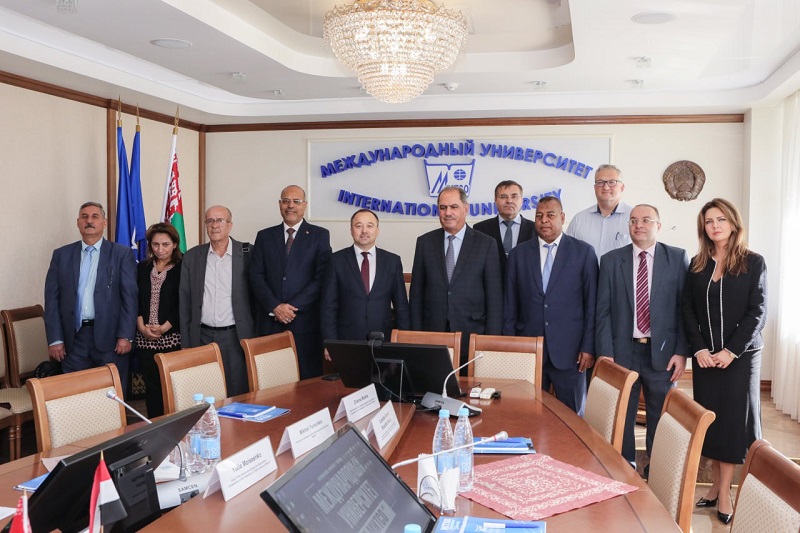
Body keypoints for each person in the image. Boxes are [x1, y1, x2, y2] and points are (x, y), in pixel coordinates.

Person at [682, 198, 767, 525]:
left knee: (732, 424)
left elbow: (757, 312)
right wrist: (699, 349)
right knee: (713, 422)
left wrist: (731, 351)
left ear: (733, 223)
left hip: (740, 357)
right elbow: (688, 310)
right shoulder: (697, 264)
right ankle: (716, 486)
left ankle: (726, 493)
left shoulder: (753, 262)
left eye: (720, 219)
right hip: (706, 358)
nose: (715, 226)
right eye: (708, 221)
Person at [595, 204, 689, 467]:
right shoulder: (611, 261)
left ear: (658, 225)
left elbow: (685, 310)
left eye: (646, 220)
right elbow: (602, 312)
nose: (639, 225)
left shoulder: (677, 258)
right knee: (621, 415)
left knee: (661, 417)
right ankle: (624, 467)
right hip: (622, 352)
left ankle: (656, 471)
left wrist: (681, 352)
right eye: (634, 220)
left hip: (664, 354)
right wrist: (605, 352)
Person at [504, 196, 598, 416]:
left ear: (562, 218)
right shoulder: (518, 254)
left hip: (571, 353)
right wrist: (510, 346)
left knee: (571, 417)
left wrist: (588, 347)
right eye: (539, 216)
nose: (544, 220)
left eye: (550, 215)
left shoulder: (583, 252)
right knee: (527, 414)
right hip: (529, 351)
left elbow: (592, 304)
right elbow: (510, 305)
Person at [44, 202, 137, 393]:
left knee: (112, 395)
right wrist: (55, 339)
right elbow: (51, 299)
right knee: (74, 393)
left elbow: (130, 298)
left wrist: (126, 335)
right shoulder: (61, 255)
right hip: (74, 339)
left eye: (95, 216)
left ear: (104, 222)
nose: (89, 221)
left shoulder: (121, 254)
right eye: (84, 216)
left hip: (111, 339)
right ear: (78, 222)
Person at [409, 186, 502, 366]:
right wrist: (416, 336)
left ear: (465, 209)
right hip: (432, 336)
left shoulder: (486, 244)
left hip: (472, 336)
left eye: (454, 207)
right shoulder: (424, 242)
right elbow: (416, 295)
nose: (448, 213)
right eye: (443, 208)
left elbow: (494, 299)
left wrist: (490, 342)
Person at [250, 185, 331, 379]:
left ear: (305, 205)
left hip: (305, 324)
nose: (290, 206)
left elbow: (321, 277)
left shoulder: (320, 235)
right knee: (271, 381)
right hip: (270, 324)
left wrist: (292, 307)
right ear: (280, 205)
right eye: (286, 201)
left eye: (296, 201)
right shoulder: (264, 236)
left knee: (307, 382)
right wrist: (275, 306)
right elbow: (255, 275)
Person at [180, 205, 254, 397]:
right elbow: (185, 301)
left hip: (236, 336)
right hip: (202, 336)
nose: (214, 225)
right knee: (205, 391)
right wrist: (186, 342)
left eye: (220, 220)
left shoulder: (248, 253)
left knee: (237, 392)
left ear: (230, 225)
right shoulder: (192, 256)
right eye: (210, 221)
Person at [321, 209, 409, 345]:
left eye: (369, 226)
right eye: (358, 226)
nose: (364, 231)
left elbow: (401, 306)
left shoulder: (392, 261)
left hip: (384, 339)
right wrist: (330, 343)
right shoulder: (336, 261)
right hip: (346, 340)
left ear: (377, 230)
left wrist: (403, 341)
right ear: (351, 230)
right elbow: (328, 307)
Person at [135, 223, 182, 418]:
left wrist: (164, 327)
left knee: (172, 389)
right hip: (145, 339)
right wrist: (141, 326)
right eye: (155, 244)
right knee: (152, 388)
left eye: (165, 244)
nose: (160, 249)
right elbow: (136, 299)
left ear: (175, 244)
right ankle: (154, 427)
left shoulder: (183, 266)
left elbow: (184, 302)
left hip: (172, 338)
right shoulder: (142, 267)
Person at [473, 180, 536, 286]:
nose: (509, 201)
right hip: (492, 290)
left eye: (514, 196)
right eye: (503, 197)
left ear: (522, 200)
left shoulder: (535, 229)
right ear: (495, 200)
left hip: (525, 291)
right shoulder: (480, 229)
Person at [566, 164, 632, 261]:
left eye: (612, 182)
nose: (606, 187)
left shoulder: (634, 218)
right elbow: (567, 253)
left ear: (622, 187)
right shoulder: (579, 219)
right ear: (595, 187)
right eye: (600, 182)